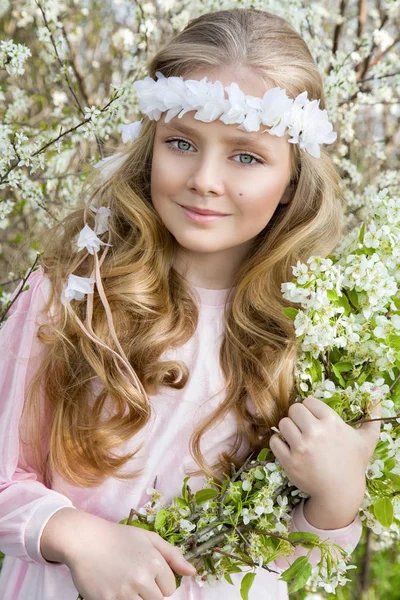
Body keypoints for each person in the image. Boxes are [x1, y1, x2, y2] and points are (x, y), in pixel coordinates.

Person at [0, 7, 381, 600]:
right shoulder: (73, 295)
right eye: (182, 143)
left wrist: (337, 495)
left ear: (292, 180)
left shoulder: (319, 333)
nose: (204, 178)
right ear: (151, 144)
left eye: (246, 156)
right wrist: (75, 535)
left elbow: (293, 553)